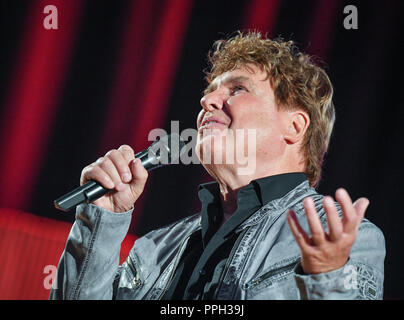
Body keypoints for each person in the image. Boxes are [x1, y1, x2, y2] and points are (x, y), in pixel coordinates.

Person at [50, 31, 385, 300]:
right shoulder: (157, 247)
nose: (207, 101)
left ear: (294, 126)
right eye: (210, 92)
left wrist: (327, 279)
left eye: (238, 89)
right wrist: (102, 219)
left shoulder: (345, 238)